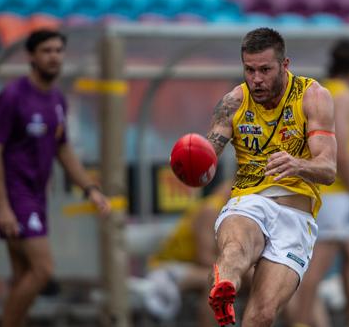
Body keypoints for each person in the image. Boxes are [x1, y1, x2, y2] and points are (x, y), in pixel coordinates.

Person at [204, 27, 337, 326]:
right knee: (236, 248)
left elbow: (329, 169)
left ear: (285, 65)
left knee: (262, 315)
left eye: (265, 69)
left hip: (295, 215)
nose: (256, 79)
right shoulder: (233, 103)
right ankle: (225, 287)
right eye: (249, 70)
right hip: (249, 201)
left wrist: (297, 165)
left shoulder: (312, 96)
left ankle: (228, 288)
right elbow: (206, 164)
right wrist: (194, 167)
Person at [0, 29, 110, 327]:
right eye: (46, 51)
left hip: (37, 193)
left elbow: (63, 148)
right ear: (31, 56)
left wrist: (90, 188)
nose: (54, 57)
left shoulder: (56, 100)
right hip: (15, 193)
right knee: (43, 270)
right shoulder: (12, 96)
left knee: (22, 274)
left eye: (58, 50)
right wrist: (3, 206)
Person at [288, 39, 349, 327]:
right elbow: (343, 152)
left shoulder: (320, 90)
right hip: (335, 192)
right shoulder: (345, 95)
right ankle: (300, 321)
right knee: (317, 267)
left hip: (319, 187)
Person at [135, 181, 231, 326]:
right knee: (220, 279)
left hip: (191, 266)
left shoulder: (229, 207)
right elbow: (204, 258)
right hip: (166, 268)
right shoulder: (211, 209)